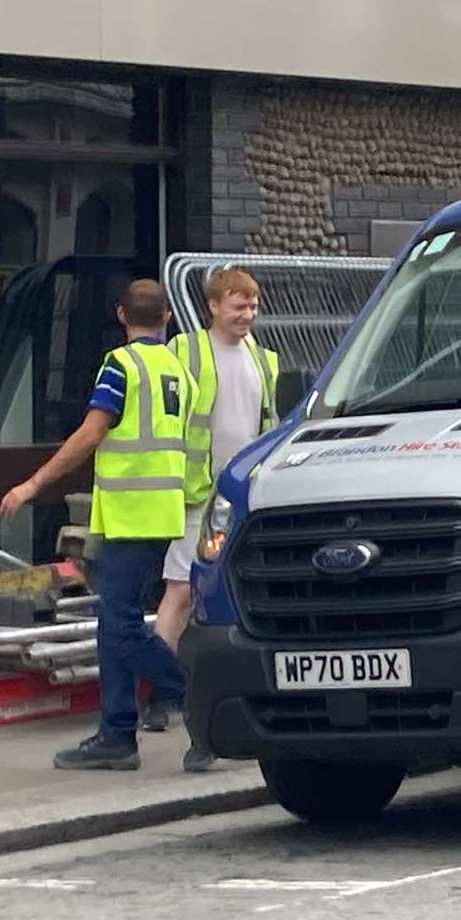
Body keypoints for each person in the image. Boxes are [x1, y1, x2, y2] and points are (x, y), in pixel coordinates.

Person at [0, 279, 192, 771]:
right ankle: (116, 733)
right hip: (162, 511)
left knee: (123, 627)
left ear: (121, 316)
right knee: (113, 624)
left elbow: (91, 433)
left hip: (133, 514)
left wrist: (32, 485)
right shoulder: (179, 370)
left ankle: (196, 697)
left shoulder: (121, 366)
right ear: (167, 317)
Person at [144, 267, 280, 749]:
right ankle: (161, 695)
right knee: (179, 592)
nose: (248, 314)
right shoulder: (187, 351)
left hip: (243, 495)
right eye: (239, 305)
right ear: (214, 307)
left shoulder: (264, 360)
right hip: (197, 493)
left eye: (253, 306)